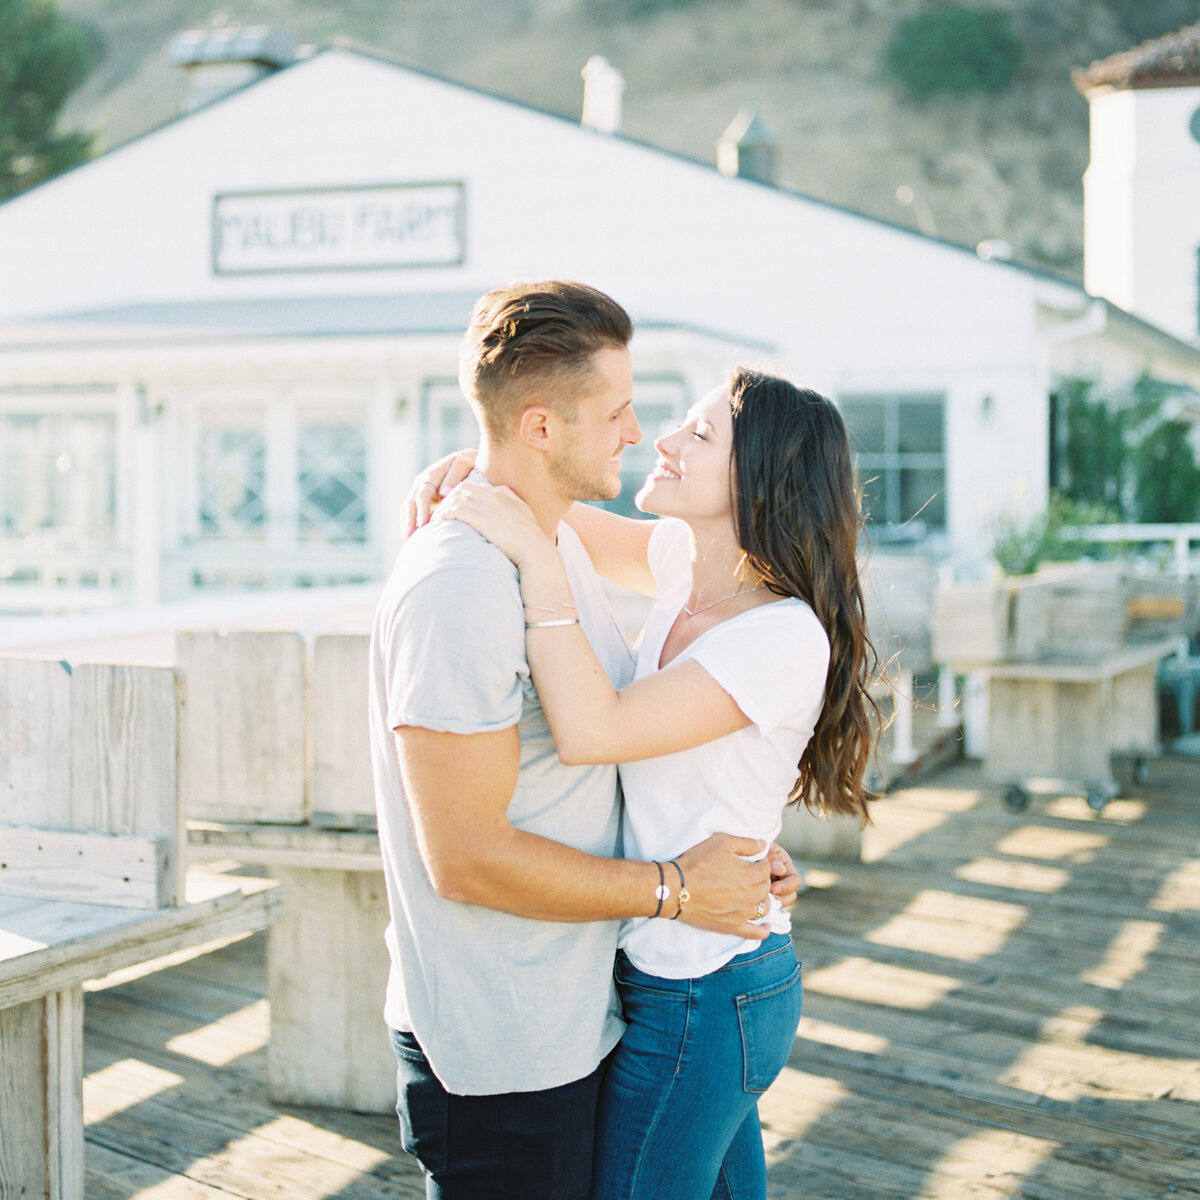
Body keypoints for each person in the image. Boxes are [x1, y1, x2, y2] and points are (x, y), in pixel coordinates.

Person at [369, 280, 801, 1200]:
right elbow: (467, 861)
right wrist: (676, 890)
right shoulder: (465, 583)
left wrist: (735, 829)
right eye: (616, 412)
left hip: (590, 1006)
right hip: (507, 1045)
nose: (638, 433)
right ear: (539, 427)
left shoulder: (548, 536)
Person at [429, 366, 879, 1199]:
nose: (664, 441)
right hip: (683, 972)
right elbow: (543, 501)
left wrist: (533, 556)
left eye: (700, 436)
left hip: (709, 995)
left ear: (761, 481)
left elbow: (593, 730)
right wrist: (469, 466)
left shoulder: (779, 638)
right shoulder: (684, 560)